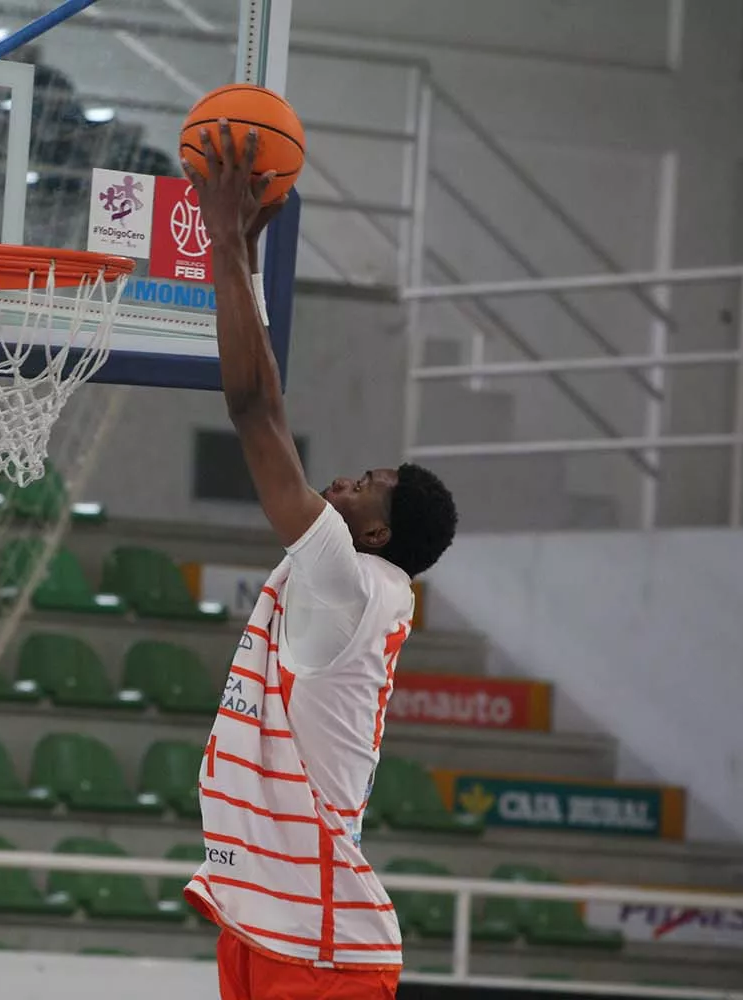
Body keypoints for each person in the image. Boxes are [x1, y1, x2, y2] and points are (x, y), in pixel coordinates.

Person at [179, 121, 458, 1000]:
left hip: (323, 944)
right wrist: (248, 268)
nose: (345, 478)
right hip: (269, 919)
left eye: (370, 482)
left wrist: (225, 239)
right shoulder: (352, 574)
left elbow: (256, 409)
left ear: (377, 533)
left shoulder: (348, 577)